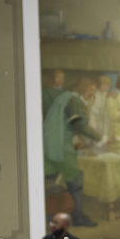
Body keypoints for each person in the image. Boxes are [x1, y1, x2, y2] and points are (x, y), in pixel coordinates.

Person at [43, 76, 101, 227]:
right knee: (75, 181)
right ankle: (78, 217)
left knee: (51, 179)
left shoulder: (66, 97)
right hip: (62, 147)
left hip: (51, 144)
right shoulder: (74, 100)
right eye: (89, 90)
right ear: (82, 87)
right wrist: (101, 138)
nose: (91, 94)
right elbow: (79, 124)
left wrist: (75, 139)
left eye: (94, 91)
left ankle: (49, 217)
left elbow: (66, 123)